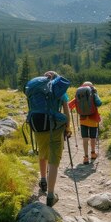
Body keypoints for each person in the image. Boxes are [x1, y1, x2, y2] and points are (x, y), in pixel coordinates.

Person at [31, 70, 72, 207]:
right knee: (54, 158)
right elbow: (66, 111)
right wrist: (68, 127)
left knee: (42, 153)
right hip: (55, 127)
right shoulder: (58, 89)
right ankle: (50, 195)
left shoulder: (36, 90)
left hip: (38, 126)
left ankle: (43, 180)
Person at [69, 81, 102, 165]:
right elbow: (99, 103)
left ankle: (86, 157)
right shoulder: (93, 93)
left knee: (85, 138)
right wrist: (95, 93)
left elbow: (70, 105)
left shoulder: (79, 95)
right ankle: (93, 153)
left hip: (83, 119)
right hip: (93, 118)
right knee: (93, 138)